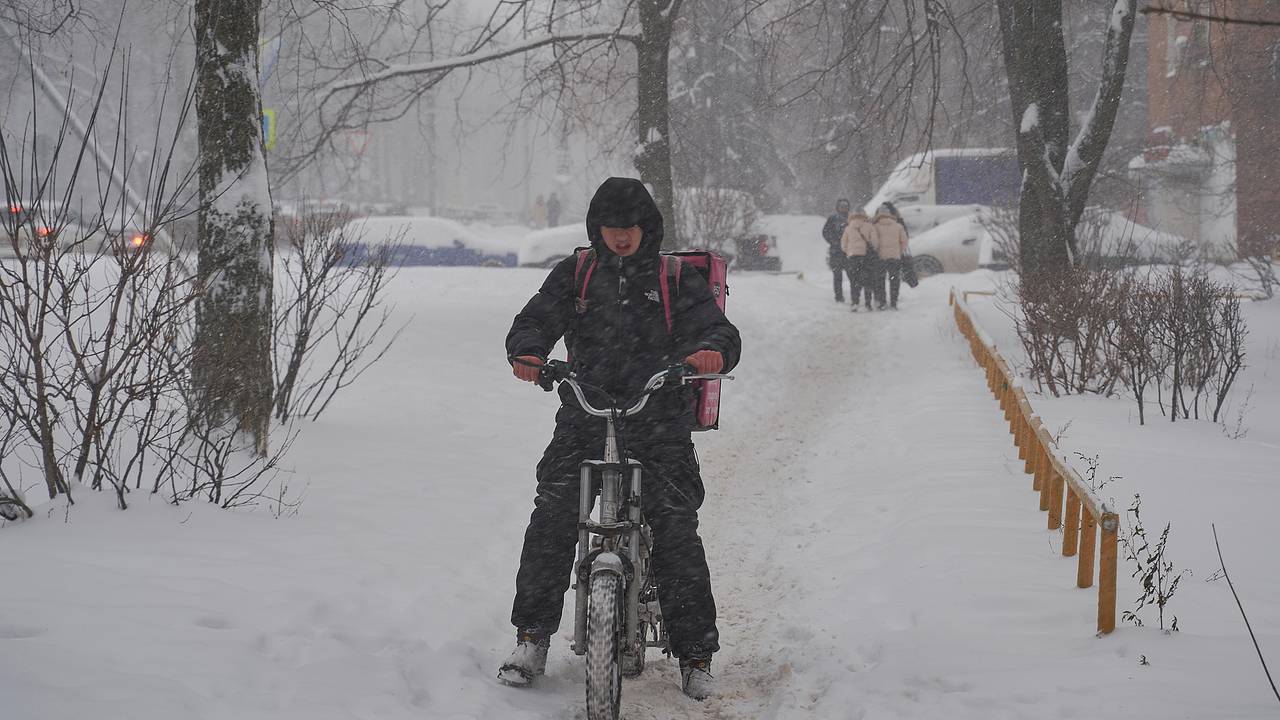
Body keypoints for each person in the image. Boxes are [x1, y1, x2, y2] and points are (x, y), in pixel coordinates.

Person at [501, 177, 742, 701]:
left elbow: (718, 330)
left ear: (646, 227)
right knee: (552, 515)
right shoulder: (577, 274)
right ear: (598, 229)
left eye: (629, 228)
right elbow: (535, 319)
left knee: (676, 528)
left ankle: (695, 655)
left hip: (657, 418)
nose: (620, 238)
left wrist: (710, 352)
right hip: (585, 411)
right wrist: (529, 351)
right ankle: (532, 637)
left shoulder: (674, 279)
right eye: (611, 229)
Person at [871, 202, 910, 309]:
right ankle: (893, 302)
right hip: (895, 257)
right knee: (894, 280)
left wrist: (877, 250)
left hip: (880, 258)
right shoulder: (898, 226)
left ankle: (882, 302)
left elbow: (874, 242)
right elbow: (904, 241)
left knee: (880, 280)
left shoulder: (875, 226)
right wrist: (899, 251)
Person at [840, 208, 876, 311]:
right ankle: (868, 304)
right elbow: (875, 242)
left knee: (854, 281)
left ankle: (855, 303)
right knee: (868, 280)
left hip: (853, 257)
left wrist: (849, 252)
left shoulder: (848, 228)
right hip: (866, 257)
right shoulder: (870, 226)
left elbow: (843, 244)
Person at [822, 199, 851, 302]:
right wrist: (833, 241)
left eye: (845, 206)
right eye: (841, 206)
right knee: (837, 276)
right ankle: (839, 296)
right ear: (837, 207)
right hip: (836, 251)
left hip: (849, 252)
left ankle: (854, 295)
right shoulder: (832, 218)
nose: (843, 208)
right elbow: (825, 232)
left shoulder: (851, 218)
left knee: (852, 275)